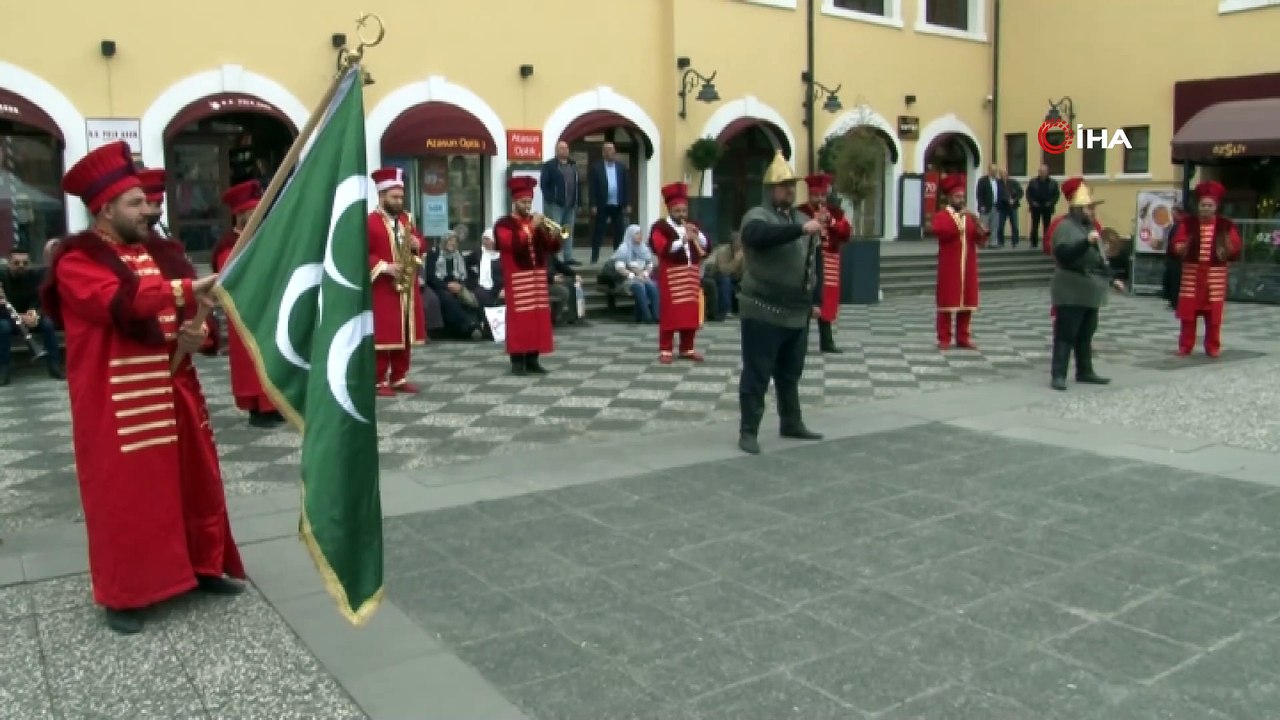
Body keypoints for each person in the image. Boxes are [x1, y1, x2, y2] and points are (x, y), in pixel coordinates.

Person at [39, 140, 244, 634]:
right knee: (127, 498)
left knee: (196, 484)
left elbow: (190, 317)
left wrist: (200, 332)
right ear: (103, 208)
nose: (148, 210)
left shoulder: (162, 253)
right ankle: (127, 594)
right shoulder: (77, 260)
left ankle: (201, 565)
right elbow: (118, 303)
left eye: (147, 202)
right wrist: (183, 290)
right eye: (135, 203)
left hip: (176, 386)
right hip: (119, 402)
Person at [736, 152, 826, 455]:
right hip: (763, 307)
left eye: (791, 185)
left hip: (796, 310)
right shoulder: (757, 217)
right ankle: (748, 431)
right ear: (770, 189)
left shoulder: (802, 219)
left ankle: (791, 421)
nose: (789, 190)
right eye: (783, 185)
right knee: (757, 373)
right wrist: (801, 229)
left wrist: (814, 299)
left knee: (790, 373)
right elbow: (758, 236)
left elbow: (813, 262)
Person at [211, 180, 282, 426]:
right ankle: (256, 409)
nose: (258, 216)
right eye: (253, 212)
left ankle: (273, 404)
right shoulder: (229, 245)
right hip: (245, 308)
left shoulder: (264, 238)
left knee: (270, 356)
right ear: (239, 215)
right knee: (249, 360)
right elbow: (229, 277)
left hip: (269, 306)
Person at [1049, 182, 1125, 391]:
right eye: (1089, 208)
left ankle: (1085, 371)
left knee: (1086, 333)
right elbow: (1063, 256)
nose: (1093, 212)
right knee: (1066, 334)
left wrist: (1112, 279)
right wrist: (1085, 243)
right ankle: (1058, 374)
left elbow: (1100, 259)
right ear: (1078, 209)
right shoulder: (1065, 227)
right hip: (1070, 288)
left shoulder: (1090, 228)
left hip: (1091, 290)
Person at [367, 167, 427, 396]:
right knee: (385, 334)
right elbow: (360, 252)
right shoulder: (370, 222)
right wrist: (384, 266)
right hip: (383, 286)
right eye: (394, 197)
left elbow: (421, 243)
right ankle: (378, 379)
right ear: (381, 196)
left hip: (407, 285)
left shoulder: (407, 219)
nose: (399, 201)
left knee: (406, 332)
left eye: (401, 197)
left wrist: (417, 244)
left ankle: (399, 376)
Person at [494, 176, 561, 375]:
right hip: (517, 277)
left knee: (538, 318)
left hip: (537, 277)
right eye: (523, 202)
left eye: (529, 202)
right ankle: (517, 361)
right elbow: (510, 244)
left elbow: (550, 248)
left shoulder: (536, 222)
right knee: (520, 319)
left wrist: (554, 235)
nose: (527, 206)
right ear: (514, 202)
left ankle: (533, 359)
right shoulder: (503, 224)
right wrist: (532, 228)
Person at [1170, 180, 1243, 358]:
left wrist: (1227, 247)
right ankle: (1185, 346)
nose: (1206, 208)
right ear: (1199, 206)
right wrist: (1181, 247)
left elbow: (1235, 246)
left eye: (1210, 205)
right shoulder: (1188, 224)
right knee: (1188, 316)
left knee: (1214, 317)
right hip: (1192, 275)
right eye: (1203, 205)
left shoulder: (1225, 225)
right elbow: (1176, 244)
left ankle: (1212, 346)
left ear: (1216, 206)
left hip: (1214, 276)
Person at [649, 182, 708, 364]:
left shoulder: (693, 224)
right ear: (670, 210)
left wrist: (697, 236)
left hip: (690, 274)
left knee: (690, 313)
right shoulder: (660, 227)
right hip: (671, 275)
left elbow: (706, 246)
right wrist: (682, 240)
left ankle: (687, 348)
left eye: (684, 211)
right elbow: (661, 247)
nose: (682, 215)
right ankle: (666, 349)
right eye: (678, 211)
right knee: (670, 313)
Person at [931, 174, 988, 350]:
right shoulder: (942, 216)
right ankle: (944, 338)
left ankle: (963, 337)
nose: (961, 200)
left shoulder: (969, 217)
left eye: (963, 196)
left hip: (968, 266)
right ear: (949, 198)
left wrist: (976, 219)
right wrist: (959, 224)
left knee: (967, 303)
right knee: (947, 302)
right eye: (957, 196)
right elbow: (940, 232)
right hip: (950, 266)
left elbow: (982, 240)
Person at [797, 173, 852, 354]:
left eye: (822, 195)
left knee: (827, 300)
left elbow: (846, 233)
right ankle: (800, 342)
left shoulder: (835, 212)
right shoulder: (800, 211)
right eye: (815, 195)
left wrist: (832, 221)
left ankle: (827, 341)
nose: (819, 199)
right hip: (806, 260)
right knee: (805, 297)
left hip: (829, 261)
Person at [1, 244, 65, 385]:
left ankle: (54, 366)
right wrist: (17, 316)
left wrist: (35, 312)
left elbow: (40, 298)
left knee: (47, 324)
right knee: (3, 327)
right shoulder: (2, 277)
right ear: (9, 263)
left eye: (25, 263)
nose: (21, 266)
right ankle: (3, 369)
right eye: (16, 263)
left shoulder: (34, 276)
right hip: (8, 318)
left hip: (30, 318)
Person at [611, 224, 660, 323]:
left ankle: (657, 315)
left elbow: (649, 264)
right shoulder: (624, 248)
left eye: (640, 233)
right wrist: (632, 275)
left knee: (653, 286)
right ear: (630, 235)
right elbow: (619, 267)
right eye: (637, 234)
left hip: (642, 277)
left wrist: (645, 273)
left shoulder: (644, 248)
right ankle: (647, 317)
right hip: (626, 279)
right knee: (639, 286)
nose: (640, 236)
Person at [706, 231, 745, 319]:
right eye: (737, 243)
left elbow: (746, 270)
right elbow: (724, 271)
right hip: (716, 274)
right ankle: (726, 310)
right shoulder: (723, 251)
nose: (739, 246)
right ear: (732, 243)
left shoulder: (745, 251)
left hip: (736, 276)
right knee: (725, 280)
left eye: (741, 244)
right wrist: (736, 260)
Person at [465, 229, 504, 308]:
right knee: (483, 297)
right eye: (483, 239)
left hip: (500, 287)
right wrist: (472, 283)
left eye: (487, 239)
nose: (484, 242)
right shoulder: (478, 253)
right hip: (482, 286)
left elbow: (509, 273)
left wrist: (505, 288)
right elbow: (466, 266)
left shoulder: (503, 255)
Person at [1025, 165, 1059, 249]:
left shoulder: (1053, 182)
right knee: (1035, 225)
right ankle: (1034, 243)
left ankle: (1046, 243)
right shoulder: (1033, 182)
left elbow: (1056, 195)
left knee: (1047, 226)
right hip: (1036, 206)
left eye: (1044, 171)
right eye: (1041, 171)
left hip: (1047, 206)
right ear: (1039, 172)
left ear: (1047, 172)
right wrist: (1032, 202)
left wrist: (1051, 203)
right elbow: (1028, 194)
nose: (1042, 173)